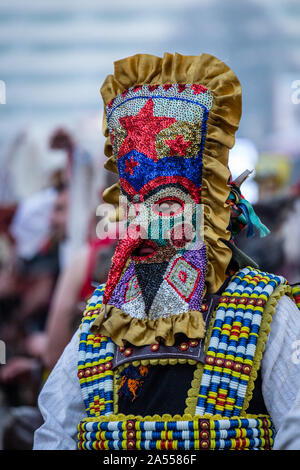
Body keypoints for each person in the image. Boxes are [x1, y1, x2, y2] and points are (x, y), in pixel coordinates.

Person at [33, 52, 300, 451]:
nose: (158, 229)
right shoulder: (101, 320)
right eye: (143, 211)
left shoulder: (265, 310)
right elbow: (56, 434)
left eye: (171, 208)